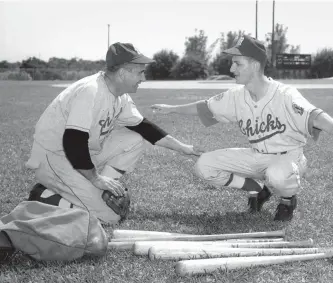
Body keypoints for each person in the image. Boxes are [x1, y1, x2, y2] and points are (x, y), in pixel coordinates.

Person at [151, 35, 333, 222]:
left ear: (255, 65)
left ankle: (287, 200)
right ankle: (257, 188)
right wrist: (171, 109)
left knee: (278, 175)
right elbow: (204, 107)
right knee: (204, 165)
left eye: (237, 63)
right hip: (257, 157)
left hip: (290, 158)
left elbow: (314, 115)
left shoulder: (284, 94)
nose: (232, 69)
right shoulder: (237, 96)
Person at [24, 42, 203, 225]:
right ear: (123, 73)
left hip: (77, 156)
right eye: (140, 72)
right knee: (110, 216)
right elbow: (73, 141)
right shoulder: (90, 91)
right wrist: (95, 178)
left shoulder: (120, 96)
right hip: (54, 158)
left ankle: (99, 192)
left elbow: (144, 127)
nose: (143, 78)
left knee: (133, 139)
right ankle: (43, 197)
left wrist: (184, 148)